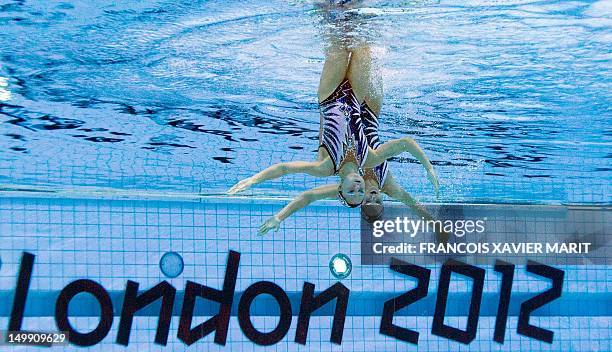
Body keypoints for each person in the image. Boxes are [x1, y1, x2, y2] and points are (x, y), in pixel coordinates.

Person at [227, 1, 438, 234]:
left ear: (341, 189)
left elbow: (287, 170)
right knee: (363, 47)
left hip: (330, 96)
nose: (360, 189)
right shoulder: (370, 159)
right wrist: (429, 169)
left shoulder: (326, 167)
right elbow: (405, 143)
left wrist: (254, 183)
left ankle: (322, 4)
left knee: (337, 41)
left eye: (353, 193)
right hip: (357, 98)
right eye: (362, 194)